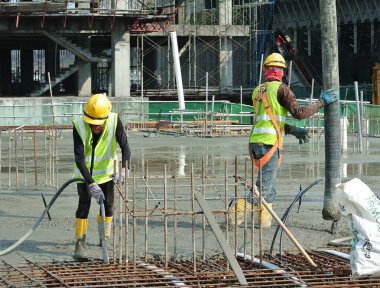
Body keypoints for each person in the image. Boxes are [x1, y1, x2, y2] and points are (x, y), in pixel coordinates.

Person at [229, 52, 337, 228]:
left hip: (255, 143)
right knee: (263, 186)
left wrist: (293, 130)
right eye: (279, 69)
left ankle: (264, 222)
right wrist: (320, 103)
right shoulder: (281, 89)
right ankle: (234, 217)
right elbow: (299, 114)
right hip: (269, 144)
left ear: (265, 71)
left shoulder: (259, 90)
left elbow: (270, 118)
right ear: (281, 71)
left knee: (268, 186)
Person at [72, 93, 131, 260]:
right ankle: (80, 243)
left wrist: (125, 168)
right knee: (84, 205)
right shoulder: (79, 125)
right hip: (84, 175)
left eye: (98, 125)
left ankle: (104, 238)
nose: (94, 127)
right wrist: (90, 183)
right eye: (92, 124)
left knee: (109, 205)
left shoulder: (114, 121)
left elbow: (126, 148)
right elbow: (78, 158)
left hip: (106, 174)